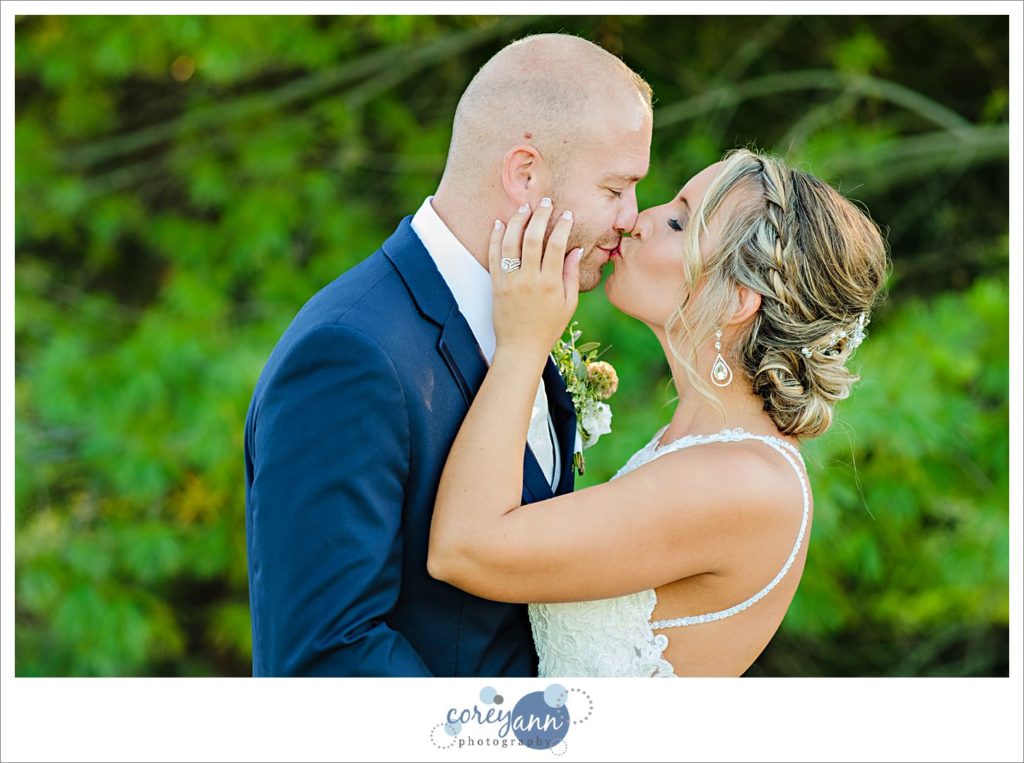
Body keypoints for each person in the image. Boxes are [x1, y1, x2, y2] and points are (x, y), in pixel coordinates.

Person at [243, 34, 653, 675]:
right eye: (614, 188)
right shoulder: (349, 353)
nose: (632, 217)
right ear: (525, 175)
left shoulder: (527, 320)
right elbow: (326, 657)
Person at [427, 147, 889, 677]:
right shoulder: (704, 448)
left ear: (737, 299)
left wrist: (522, 345)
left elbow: (463, 549)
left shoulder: (740, 483)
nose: (639, 220)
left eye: (678, 223)